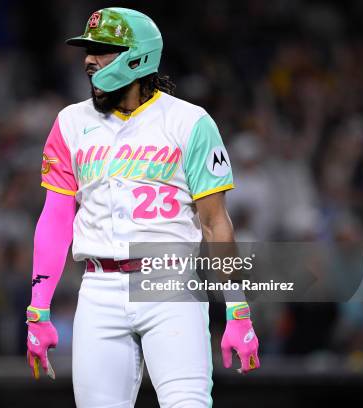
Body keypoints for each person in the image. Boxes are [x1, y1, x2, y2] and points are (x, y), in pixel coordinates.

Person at [25, 8, 260, 407]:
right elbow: (56, 218)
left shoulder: (190, 122)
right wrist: (38, 308)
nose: (89, 59)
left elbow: (215, 224)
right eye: (88, 49)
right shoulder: (69, 122)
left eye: (103, 49)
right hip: (98, 287)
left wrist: (238, 309)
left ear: (138, 56)